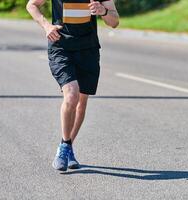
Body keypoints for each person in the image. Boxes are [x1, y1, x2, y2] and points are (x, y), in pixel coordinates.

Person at [26, 0, 119, 171]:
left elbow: (114, 21)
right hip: (61, 47)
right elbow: (31, 5)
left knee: (81, 103)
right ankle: (64, 146)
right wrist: (46, 26)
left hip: (88, 50)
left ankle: (67, 146)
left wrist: (103, 11)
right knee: (71, 95)